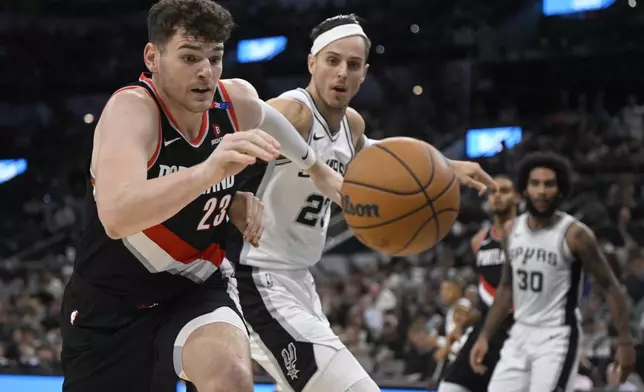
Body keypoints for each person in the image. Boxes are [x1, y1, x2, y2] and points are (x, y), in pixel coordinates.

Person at [59, 1, 343, 391]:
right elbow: (117, 215)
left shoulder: (235, 101)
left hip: (195, 287)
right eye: (190, 57)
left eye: (215, 57)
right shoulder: (132, 112)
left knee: (229, 377)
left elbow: (269, 117)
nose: (205, 72)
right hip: (112, 303)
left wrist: (315, 166)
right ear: (153, 56)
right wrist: (211, 174)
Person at [226, 14, 498, 392]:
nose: (342, 73)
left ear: (365, 72)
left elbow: (379, 156)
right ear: (311, 63)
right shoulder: (296, 111)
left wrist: (446, 165)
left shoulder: (350, 125)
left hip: (299, 280)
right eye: (332, 61)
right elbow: (236, 127)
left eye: (353, 65)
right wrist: (237, 193)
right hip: (252, 277)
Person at [469, 152, 636, 392]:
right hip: (520, 334)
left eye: (549, 184)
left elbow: (610, 286)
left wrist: (625, 341)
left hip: (556, 337)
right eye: (535, 184)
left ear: (561, 190)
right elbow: (507, 287)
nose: (542, 191)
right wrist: (485, 335)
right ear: (524, 189)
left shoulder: (575, 234)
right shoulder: (512, 230)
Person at [437, 176, 519, 392]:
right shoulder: (478, 241)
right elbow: (485, 290)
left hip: (517, 329)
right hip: (485, 329)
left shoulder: (527, 234)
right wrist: (464, 323)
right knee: (449, 387)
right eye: (492, 191)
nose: (498, 195)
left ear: (518, 197)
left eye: (505, 190)